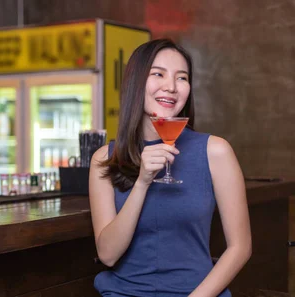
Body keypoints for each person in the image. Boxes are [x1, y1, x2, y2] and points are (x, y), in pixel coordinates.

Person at [89, 39, 251, 296]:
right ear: (136, 83)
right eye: (158, 74)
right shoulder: (104, 159)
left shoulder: (216, 152)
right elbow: (108, 255)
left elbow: (240, 247)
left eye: (182, 78)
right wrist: (142, 182)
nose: (171, 87)